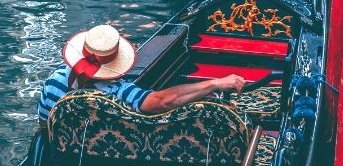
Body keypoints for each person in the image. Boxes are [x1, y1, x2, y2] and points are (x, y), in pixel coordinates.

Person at [37, 24, 245, 127]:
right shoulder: (118, 92)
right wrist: (215, 83)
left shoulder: (53, 82)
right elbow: (163, 101)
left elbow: (46, 127)